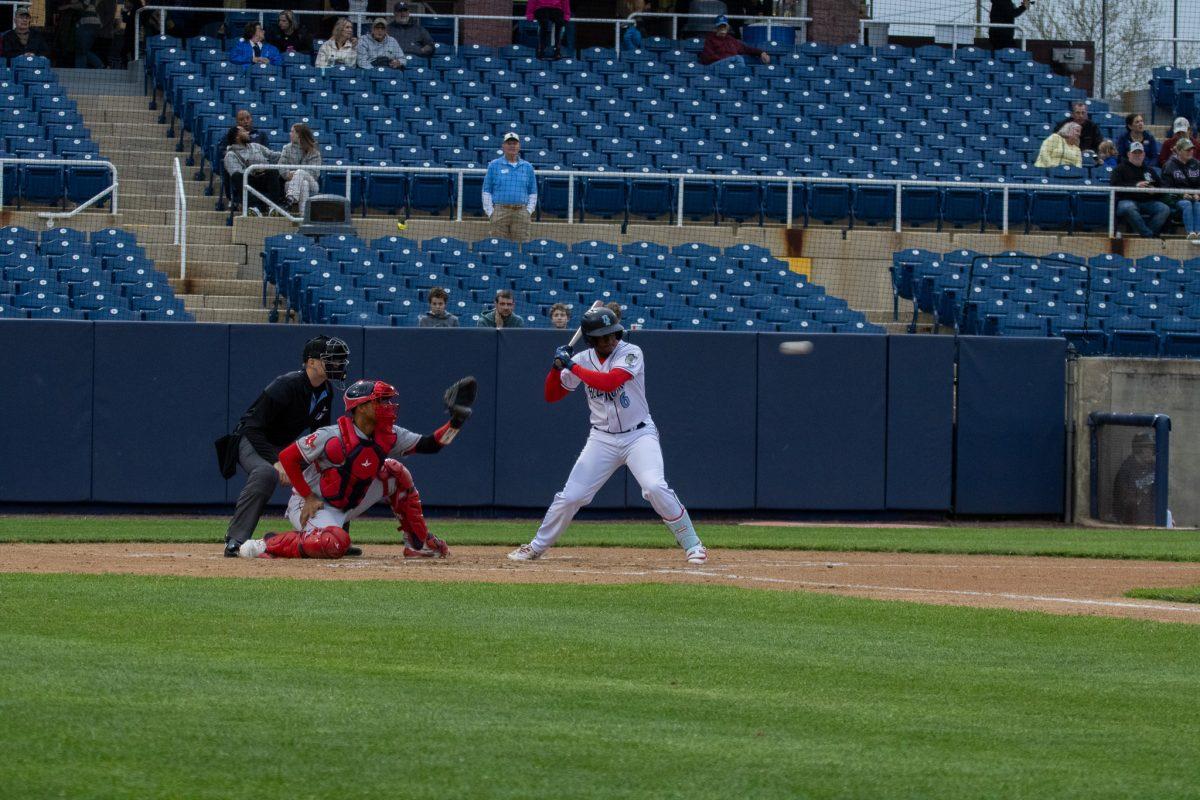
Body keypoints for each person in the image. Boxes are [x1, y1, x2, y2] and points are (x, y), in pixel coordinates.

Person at [508, 306, 707, 565]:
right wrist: (556, 368)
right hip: (602, 438)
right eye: (604, 336)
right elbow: (552, 395)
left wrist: (569, 365)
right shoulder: (580, 360)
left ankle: (693, 544)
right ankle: (535, 546)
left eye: (613, 333)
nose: (611, 339)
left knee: (654, 487)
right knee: (571, 496)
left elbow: (610, 382)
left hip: (638, 435)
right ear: (591, 340)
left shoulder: (631, 352)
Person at [237, 377, 474, 560]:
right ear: (361, 407)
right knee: (335, 543)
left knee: (395, 471)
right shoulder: (331, 437)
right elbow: (287, 457)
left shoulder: (388, 434)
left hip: (349, 501)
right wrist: (307, 496)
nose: (388, 406)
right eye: (381, 401)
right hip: (315, 503)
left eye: (388, 400)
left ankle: (416, 543)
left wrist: (457, 422)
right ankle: (267, 543)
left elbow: (430, 445)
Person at [220, 336, 350, 558]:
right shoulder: (286, 384)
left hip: (281, 446)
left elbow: (320, 436)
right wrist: (276, 460)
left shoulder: (326, 391)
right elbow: (251, 427)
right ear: (311, 363)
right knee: (266, 473)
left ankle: (334, 537)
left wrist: (326, 461)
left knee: (333, 466)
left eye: (338, 361)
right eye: (330, 360)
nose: (336, 365)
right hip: (250, 439)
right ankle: (236, 539)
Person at [482, 132, 537, 243]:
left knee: (521, 246)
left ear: (519, 146)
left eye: (515, 143)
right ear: (503, 146)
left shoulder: (527, 167)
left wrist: (528, 211)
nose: (512, 146)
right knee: (498, 246)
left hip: (521, 213)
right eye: (509, 143)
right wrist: (491, 212)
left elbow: (533, 191)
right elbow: (486, 190)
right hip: (500, 212)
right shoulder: (494, 165)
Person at [1110, 142, 1170, 239]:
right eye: (1135, 153)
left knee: (1164, 209)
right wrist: (1136, 186)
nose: (1137, 155)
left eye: (1140, 153)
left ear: (1144, 154)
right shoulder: (1120, 169)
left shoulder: (1150, 170)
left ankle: (1147, 235)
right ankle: (1149, 236)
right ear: (1129, 154)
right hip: (1126, 200)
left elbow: (1162, 186)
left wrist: (1154, 190)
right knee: (1128, 207)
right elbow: (1114, 185)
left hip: (1148, 201)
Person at [223, 126, 283, 214]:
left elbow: (273, 156)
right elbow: (236, 174)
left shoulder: (256, 146)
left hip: (263, 180)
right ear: (237, 137)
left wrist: (287, 152)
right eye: (244, 131)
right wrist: (254, 171)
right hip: (248, 183)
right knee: (237, 176)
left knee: (273, 171)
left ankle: (274, 207)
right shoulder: (230, 155)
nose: (248, 133)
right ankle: (254, 208)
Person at [1112, 433, 1157, 526]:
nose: (1152, 452)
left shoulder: (1153, 467)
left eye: (1152, 448)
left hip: (1151, 516)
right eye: (1148, 448)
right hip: (1132, 520)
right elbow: (1124, 502)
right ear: (1139, 449)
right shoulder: (1126, 470)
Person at [1161, 137, 1200, 244]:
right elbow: (1165, 190)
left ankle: (1198, 232)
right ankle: (1190, 233)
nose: (1190, 152)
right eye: (1187, 149)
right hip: (1175, 201)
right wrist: (1181, 195)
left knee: (1197, 204)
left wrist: (1198, 194)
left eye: (1191, 149)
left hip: (1194, 198)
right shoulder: (1169, 166)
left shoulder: (1196, 164)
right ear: (1178, 151)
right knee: (1187, 203)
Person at [278, 122, 321, 214]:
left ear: (299, 135)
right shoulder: (287, 148)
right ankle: (303, 216)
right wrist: (287, 175)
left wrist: (296, 173)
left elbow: (315, 173)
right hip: (290, 183)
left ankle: (290, 199)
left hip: (312, 184)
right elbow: (281, 167)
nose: (290, 134)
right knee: (304, 184)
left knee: (301, 173)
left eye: (292, 132)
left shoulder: (314, 151)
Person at [699, 15, 768, 66]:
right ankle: (742, 77)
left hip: (730, 63)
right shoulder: (710, 39)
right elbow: (707, 58)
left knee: (737, 59)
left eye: (724, 26)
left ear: (727, 27)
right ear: (716, 28)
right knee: (738, 58)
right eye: (720, 27)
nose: (722, 29)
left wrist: (761, 53)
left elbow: (745, 49)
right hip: (716, 65)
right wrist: (727, 59)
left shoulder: (730, 39)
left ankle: (742, 79)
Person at [66, 0, 108, 68]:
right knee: (82, 50)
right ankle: (100, 66)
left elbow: (83, 6)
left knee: (81, 51)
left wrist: (69, 6)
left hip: (88, 25)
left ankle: (98, 66)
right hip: (88, 25)